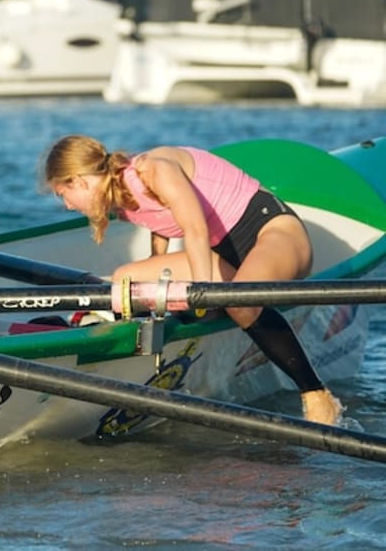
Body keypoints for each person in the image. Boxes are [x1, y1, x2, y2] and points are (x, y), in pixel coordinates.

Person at [41, 134, 343, 425]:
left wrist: (205, 295)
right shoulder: (120, 196)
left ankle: (315, 391)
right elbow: (158, 224)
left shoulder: (154, 169)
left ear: (78, 181)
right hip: (223, 254)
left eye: (62, 194)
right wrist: (153, 279)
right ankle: (132, 360)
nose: (67, 205)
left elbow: (196, 230)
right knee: (125, 279)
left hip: (272, 231)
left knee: (239, 304)